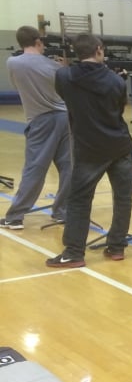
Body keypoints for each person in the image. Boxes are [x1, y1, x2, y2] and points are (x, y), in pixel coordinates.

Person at [46, 33, 132, 268]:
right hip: (119, 145)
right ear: (99, 50)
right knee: (123, 198)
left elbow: (67, 96)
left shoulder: (64, 76)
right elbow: (119, 109)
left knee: (79, 200)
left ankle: (74, 252)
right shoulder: (116, 81)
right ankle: (117, 247)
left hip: (89, 149)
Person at [0, 26, 71, 230]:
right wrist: (62, 66)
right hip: (64, 117)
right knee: (68, 167)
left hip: (40, 120)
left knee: (35, 167)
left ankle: (15, 216)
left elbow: (17, 86)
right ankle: (61, 211)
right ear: (38, 41)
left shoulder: (13, 63)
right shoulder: (55, 67)